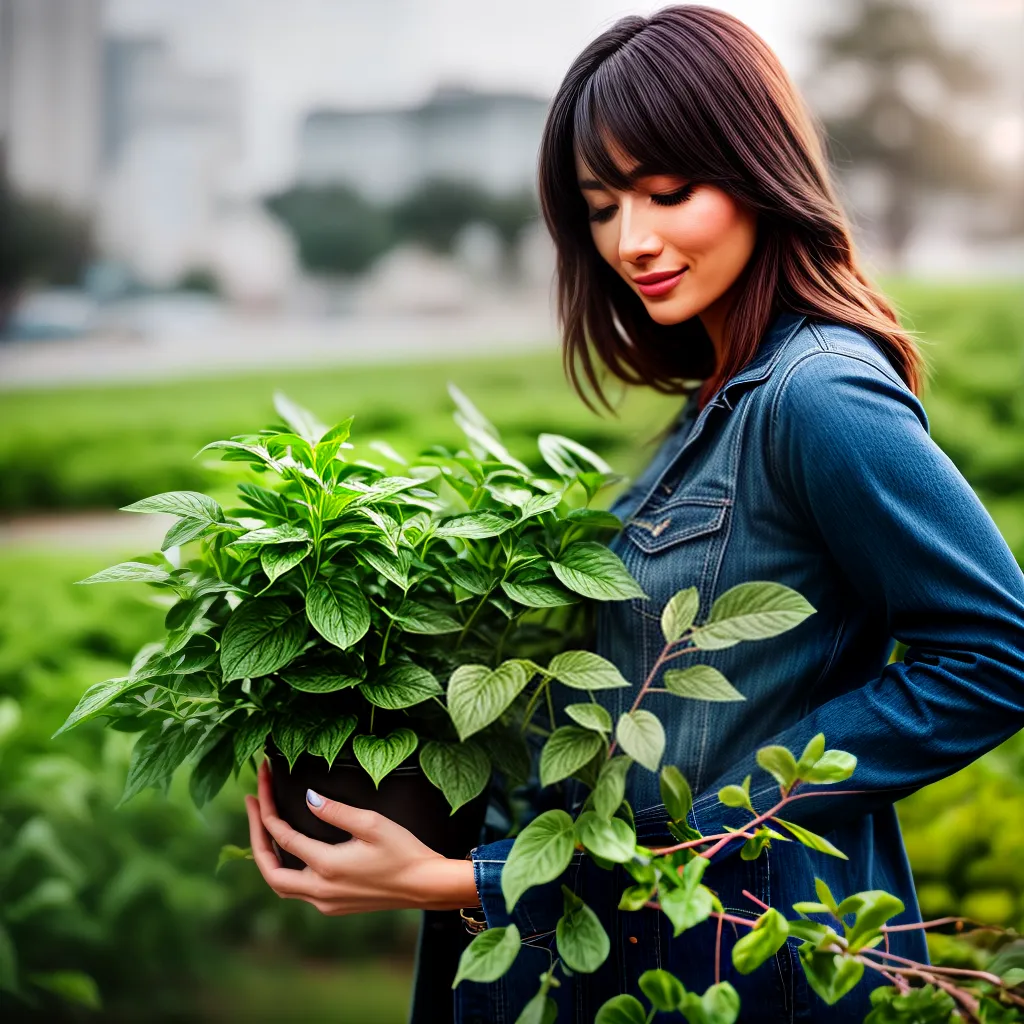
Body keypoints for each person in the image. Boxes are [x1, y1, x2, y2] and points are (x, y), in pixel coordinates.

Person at [243, 7, 1024, 1022]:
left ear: (757, 172)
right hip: (604, 948)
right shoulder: (716, 399)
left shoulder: (816, 395)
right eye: (602, 204)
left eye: (667, 191)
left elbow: (996, 652)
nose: (631, 240)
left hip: (726, 959)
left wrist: (730, 813)